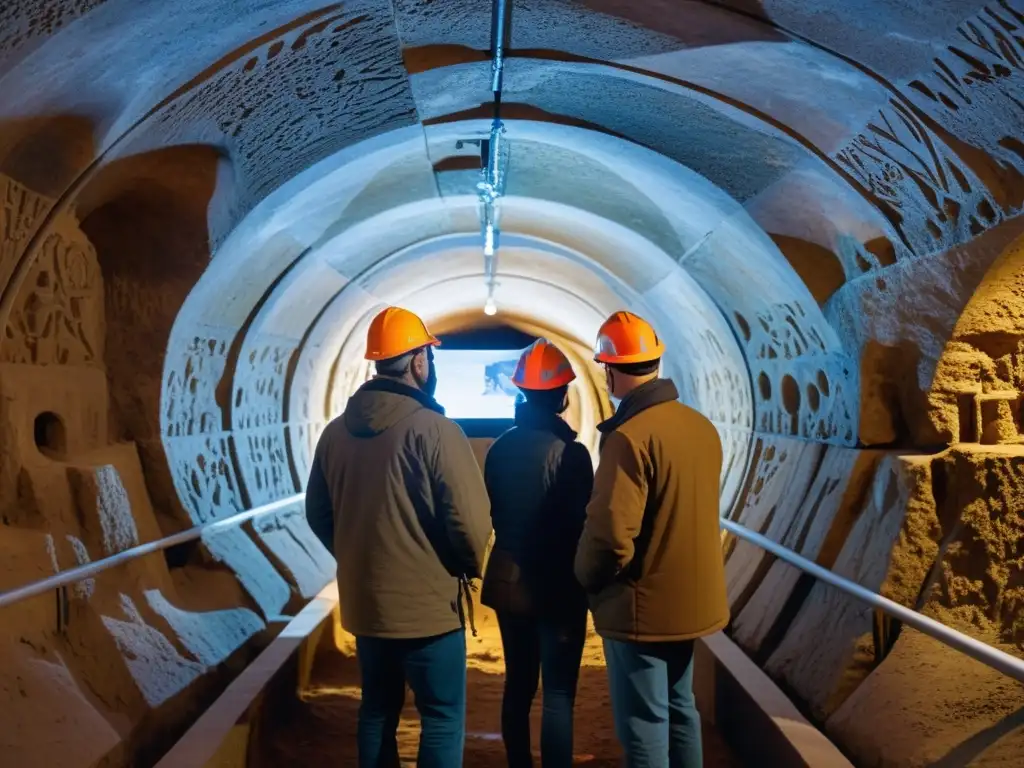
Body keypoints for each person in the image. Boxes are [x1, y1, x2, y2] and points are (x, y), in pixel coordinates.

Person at [305, 306, 493, 768]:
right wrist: (468, 567)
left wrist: (357, 555)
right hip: (430, 610)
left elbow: (318, 513)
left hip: (368, 609)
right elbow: (469, 522)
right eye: (428, 355)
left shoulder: (333, 434)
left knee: (376, 713)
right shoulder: (437, 431)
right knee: (442, 717)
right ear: (417, 363)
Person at [574, 311, 729, 768]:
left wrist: (587, 577)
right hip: (691, 603)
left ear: (609, 369)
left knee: (643, 721)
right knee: (682, 708)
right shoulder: (701, 427)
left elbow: (611, 536)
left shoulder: (629, 437)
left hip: (642, 608)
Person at [480, 339, 594, 768]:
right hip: (559, 587)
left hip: (511, 582)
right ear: (563, 395)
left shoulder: (500, 448)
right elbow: (579, 524)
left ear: (521, 392)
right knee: (559, 693)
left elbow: (493, 510)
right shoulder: (572, 454)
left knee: (518, 685)